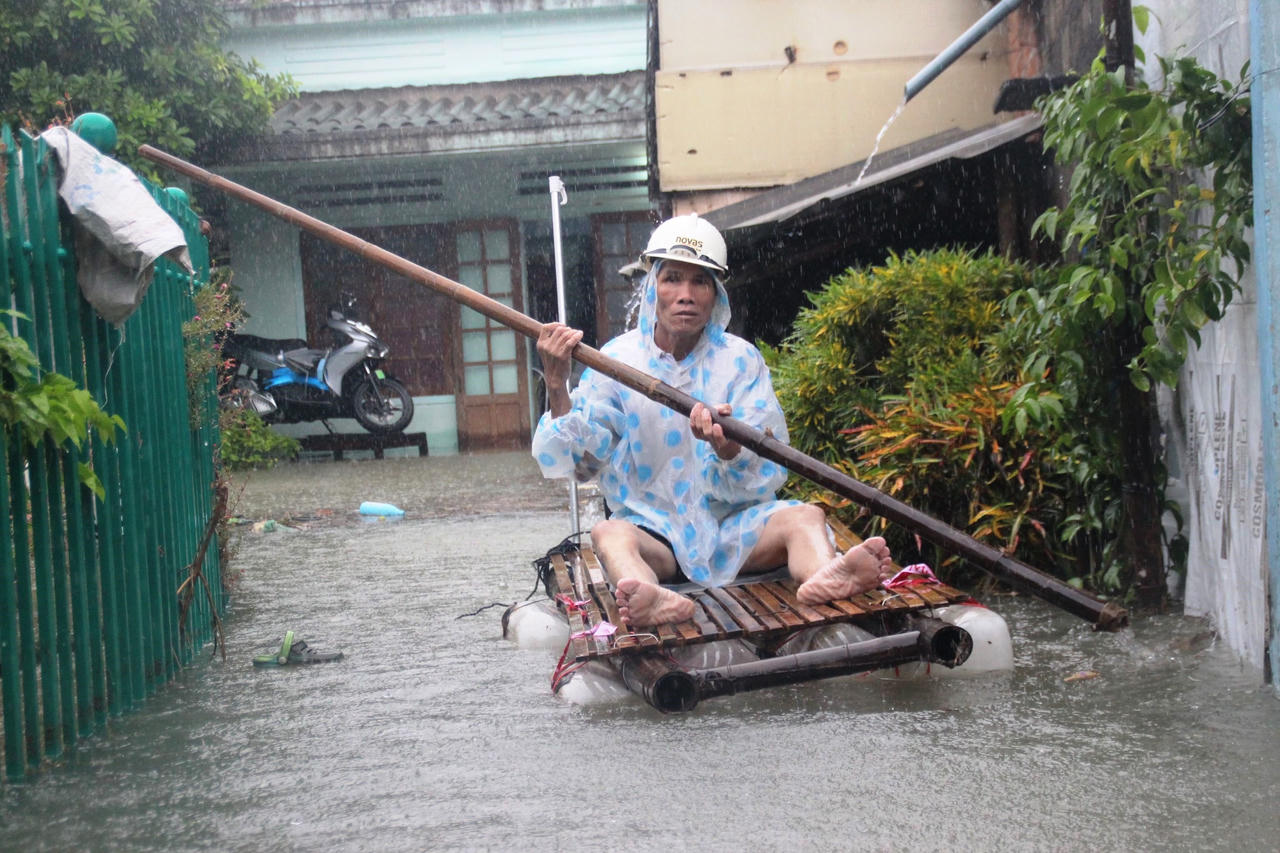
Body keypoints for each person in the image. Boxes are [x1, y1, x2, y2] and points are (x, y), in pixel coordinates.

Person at [532, 214, 892, 627]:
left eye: (699, 282)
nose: (685, 295)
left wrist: (729, 449)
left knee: (805, 516)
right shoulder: (615, 361)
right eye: (672, 279)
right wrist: (558, 385)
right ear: (653, 287)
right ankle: (649, 596)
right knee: (609, 534)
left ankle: (823, 577)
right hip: (656, 535)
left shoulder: (739, 360)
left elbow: (766, 470)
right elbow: (580, 462)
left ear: (714, 294)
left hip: (733, 530)